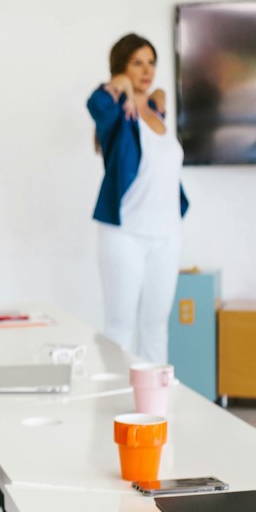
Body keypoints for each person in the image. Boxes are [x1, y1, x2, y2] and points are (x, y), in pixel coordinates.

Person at [88, 33, 189, 363]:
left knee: (156, 326)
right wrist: (120, 84)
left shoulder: (157, 111)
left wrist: (154, 95)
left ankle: (154, 410)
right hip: (125, 234)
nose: (147, 70)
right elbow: (95, 104)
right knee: (119, 327)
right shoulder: (119, 111)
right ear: (122, 67)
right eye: (137, 63)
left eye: (151, 63)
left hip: (167, 235)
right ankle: (110, 408)